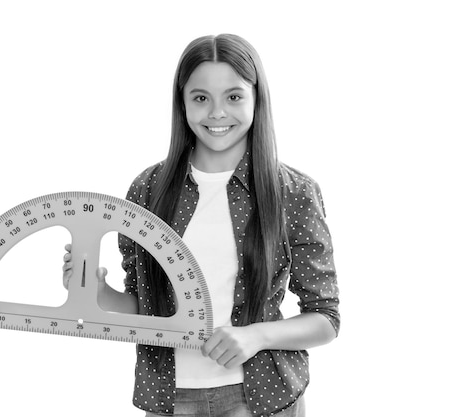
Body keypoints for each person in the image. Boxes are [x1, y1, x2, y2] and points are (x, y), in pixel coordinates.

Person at [62, 33, 340, 417]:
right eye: (200, 98)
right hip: (171, 398)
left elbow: (325, 317)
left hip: (259, 397)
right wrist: (97, 292)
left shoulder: (292, 193)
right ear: (182, 103)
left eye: (234, 96)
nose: (217, 112)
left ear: (257, 99)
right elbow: (147, 310)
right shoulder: (147, 190)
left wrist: (255, 336)